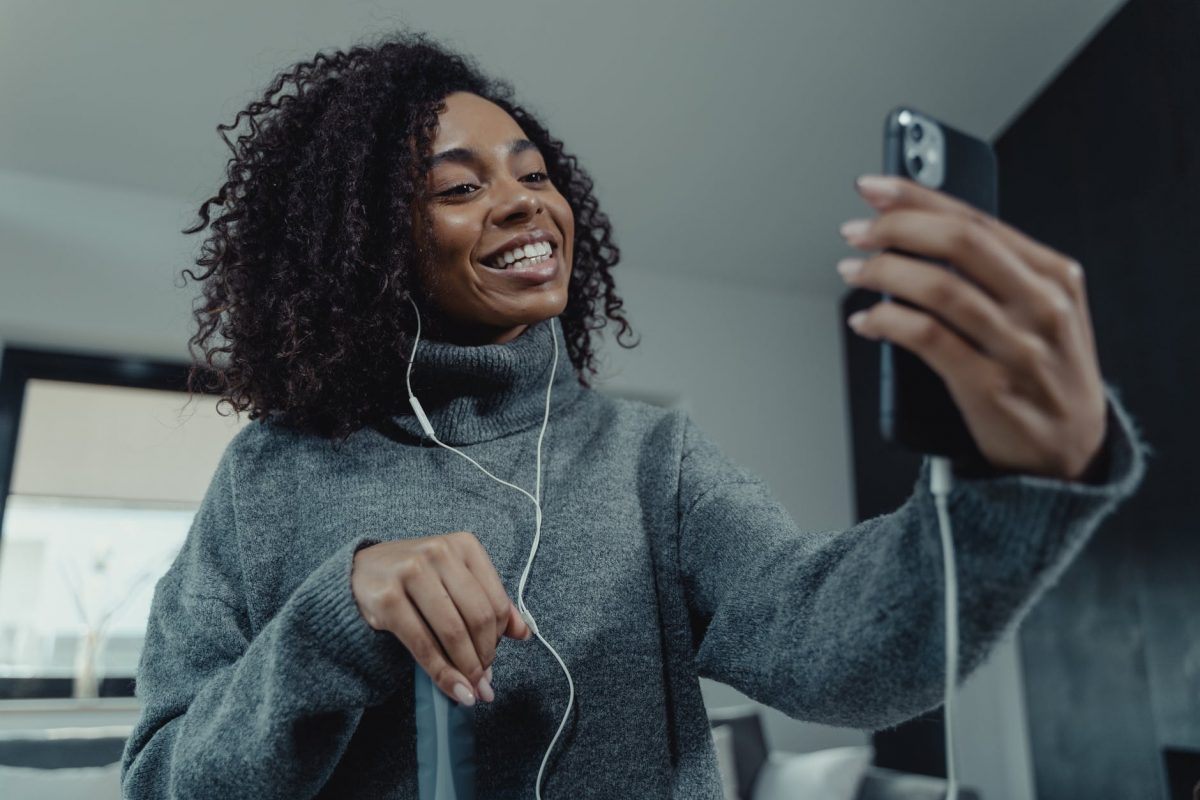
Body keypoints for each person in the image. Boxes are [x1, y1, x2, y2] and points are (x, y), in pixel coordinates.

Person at [120, 29, 1149, 800]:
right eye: (459, 187)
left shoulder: (651, 459)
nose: (526, 203)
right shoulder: (269, 477)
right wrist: (334, 618)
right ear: (367, 243)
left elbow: (843, 655)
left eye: (535, 173)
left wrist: (1021, 486)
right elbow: (164, 779)